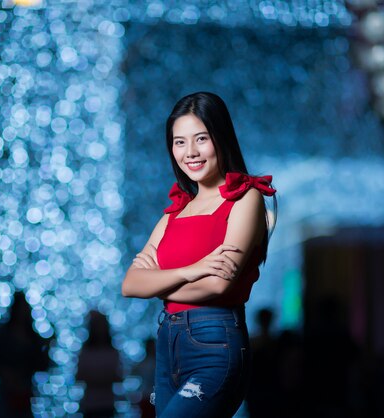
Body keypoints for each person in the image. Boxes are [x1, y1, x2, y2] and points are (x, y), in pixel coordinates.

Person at [121, 92, 277, 417]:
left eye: (201, 138)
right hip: (167, 344)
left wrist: (158, 284)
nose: (190, 152)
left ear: (221, 137)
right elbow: (131, 285)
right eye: (179, 142)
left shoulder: (245, 199)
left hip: (215, 344)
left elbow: (219, 286)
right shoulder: (174, 212)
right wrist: (192, 270)